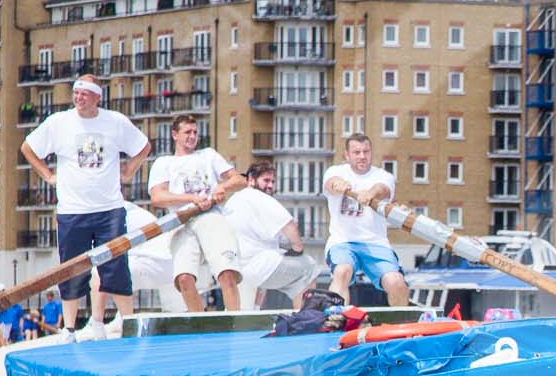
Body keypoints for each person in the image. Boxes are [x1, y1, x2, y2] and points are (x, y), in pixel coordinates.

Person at [20, 75, 151, 340]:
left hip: (109, 209)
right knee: (71, 269)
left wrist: (129, 172)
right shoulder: (59, 122)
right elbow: (28, 148)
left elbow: (143, 146)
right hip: (72, 210)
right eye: (76, 93)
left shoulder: (114, 121)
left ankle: (129, 324)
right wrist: (47, 175)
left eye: (85, 94)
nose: (79, 98)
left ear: (97, 98)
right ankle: (69, 329)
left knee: (116, 266)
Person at [148, 115, 246, 312]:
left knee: (226, 272)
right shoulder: (164, 163)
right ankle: (200, 321)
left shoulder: (208, 155)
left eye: (195, 132)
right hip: (182, 220)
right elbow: (157, 197)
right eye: (187, 132)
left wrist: (221, 187)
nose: (192, 137)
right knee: (184, 278)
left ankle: (235, 319)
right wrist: (190, 199)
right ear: (175, 135)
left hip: (210, 216)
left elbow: (240, 180)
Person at [322, 132, 409, 307]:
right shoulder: (335, 171)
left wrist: (370, 194)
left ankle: (403, 327)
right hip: (343, 241)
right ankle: (336, 319)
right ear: (347, 155)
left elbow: (383, 189)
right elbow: (331, 183)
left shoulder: (383, 176)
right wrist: (340, 185)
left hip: (375, 243)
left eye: (366, 152)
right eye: (357, 152)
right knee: (342, 271)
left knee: (396, 282)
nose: (362, 156)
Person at [228, 162, 317, 309]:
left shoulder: (234, 200)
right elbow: (289, 225)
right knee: (309, 267)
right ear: (251, 179)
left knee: (269, 268)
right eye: (266, 181)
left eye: (273, 181)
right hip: (257, 265)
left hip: (237, 267)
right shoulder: (259, 196)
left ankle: (255, 315)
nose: (270, 186)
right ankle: (304, 319)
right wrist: (297, 249)